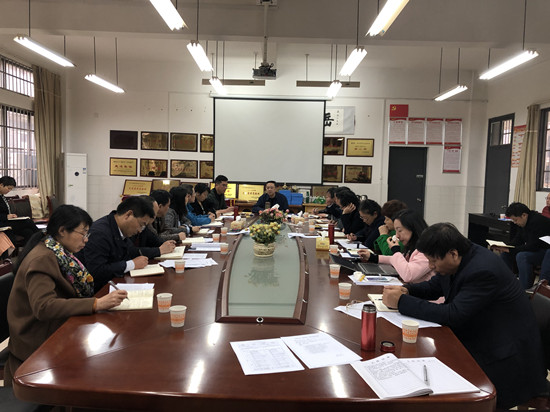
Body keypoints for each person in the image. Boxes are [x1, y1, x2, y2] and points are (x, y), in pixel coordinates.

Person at [382, 223, 548, 410]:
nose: (431, 266)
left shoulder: (483, 270)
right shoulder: (461, 256)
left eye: (433, 261)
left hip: (506, 357)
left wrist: (402, 302)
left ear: (453, 254)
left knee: (437, 382)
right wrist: (407, 290)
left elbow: (453, 314)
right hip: (483, 334)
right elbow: (436, 286)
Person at [4, 205, 127, 386]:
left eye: (87, 234)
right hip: (37, 337)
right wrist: (96, 304)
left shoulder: (59, 252)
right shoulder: (42, 258)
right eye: (82, 233)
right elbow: (44, 307)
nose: (86, 240)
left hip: (56, 325)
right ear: (62, 231)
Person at [76, 196, 154, 293]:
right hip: (96, 292)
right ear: (128, 215)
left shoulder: (120, 229)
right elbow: (97, 271)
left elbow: (131, 251)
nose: (140, 230)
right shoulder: (99, 233)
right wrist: (131, 264)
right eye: (141, 225)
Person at [359, 209, 433, 283]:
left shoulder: (426, 250)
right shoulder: (412, 246)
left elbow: (408, 275)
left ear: (413, 228)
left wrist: (396, 251)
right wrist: (373, 257)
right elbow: (394, 260)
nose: (397, 235)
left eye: (400, 230)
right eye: (396, 231)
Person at [494, 202, 550, 289]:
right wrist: (505, 247)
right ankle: (507, 283)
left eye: (515, 220)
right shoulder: (523, 222)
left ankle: (524, 289)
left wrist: (510, 250)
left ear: (524, 215)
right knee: (505, 254)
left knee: (522, 256)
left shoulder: (537, 221)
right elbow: (518, 240)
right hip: (537, 249)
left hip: (545, 251)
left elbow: (533, 246)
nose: (515, 222)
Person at [0, 175, 40, 245]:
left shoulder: (2, 196)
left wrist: (10, 215)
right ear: (1, 185)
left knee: (28, 232)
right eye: (8, 188)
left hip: (6, 221)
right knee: (28, 222)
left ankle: (27, 250)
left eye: (11, 189)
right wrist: (6, 216)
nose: (9, 191)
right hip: (2, 223)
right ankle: (43, 238)